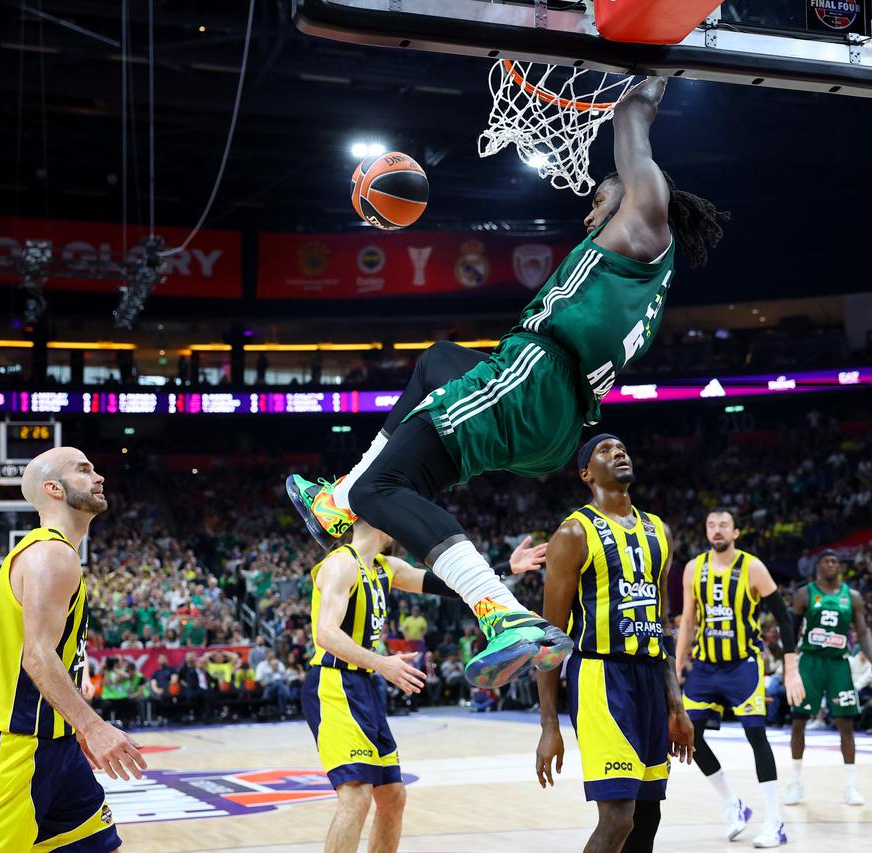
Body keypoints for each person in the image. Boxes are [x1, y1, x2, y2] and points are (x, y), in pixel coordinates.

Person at [286, 75, 728, 692]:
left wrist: (648, 66)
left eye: (598, 202)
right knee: (438, 361)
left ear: (630, 195)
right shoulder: (643, 267)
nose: (588, 212)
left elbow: (633, 115)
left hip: (534, 379)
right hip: (555, 407)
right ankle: (338, 497)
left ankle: (502, 614)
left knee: (382, 490)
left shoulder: (646, 213)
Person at [304, 520, 544, 853]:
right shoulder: (341, 563)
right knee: (356, 794)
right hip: (334, 682)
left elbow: (448, 584)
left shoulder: (387, 567)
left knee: (392, 796)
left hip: (364, 685)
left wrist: (505, 569)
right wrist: (383, 662)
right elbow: (325, 634)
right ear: (372, 518)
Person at [0, 447, 145, 852]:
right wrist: (93, 727)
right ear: (53, 488)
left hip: (55, 744)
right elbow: (38, 657)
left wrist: (70, 721)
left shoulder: (59, 552)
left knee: (100, 846)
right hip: (19, 747)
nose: (98, 477)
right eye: (83, 470)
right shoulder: (51, 554)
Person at [535, 435, 694, 853]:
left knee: (648, 818)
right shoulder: (573, 532)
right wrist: (549, 725)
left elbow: (660, 627)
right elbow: (550, 635)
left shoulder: (659, 531)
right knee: (618, 818)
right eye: (604, 451)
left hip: (649, 680)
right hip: (601, 679)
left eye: (622, 447)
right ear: (586, 474)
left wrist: (677, 707)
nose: (618, 452)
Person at [674, 508, 803, 847]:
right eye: (711, 525)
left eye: (724, 526)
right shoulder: (693, 568)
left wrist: (791, 669)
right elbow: (687, 621)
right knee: (690, 738)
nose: (717, 530)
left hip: (742, 665)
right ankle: (733, 803)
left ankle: (775, 821)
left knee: (756, 735)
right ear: (706, 532)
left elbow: (784, 618)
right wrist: (676, 666)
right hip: (704, 666)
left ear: (735, 533)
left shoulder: (753, 567)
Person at [784, 549, 872, 807]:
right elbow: (791, 631)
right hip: (810, 662)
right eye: (826, 561)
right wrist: (789, 665)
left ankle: (850, 787)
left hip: (839, 663)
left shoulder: (852, 596)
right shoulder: (805, 593)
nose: (831, 564)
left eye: (835, 561)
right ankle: (796, 782)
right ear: (818, 567)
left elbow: (862, 633)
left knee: (845, 723)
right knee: (798, 721)